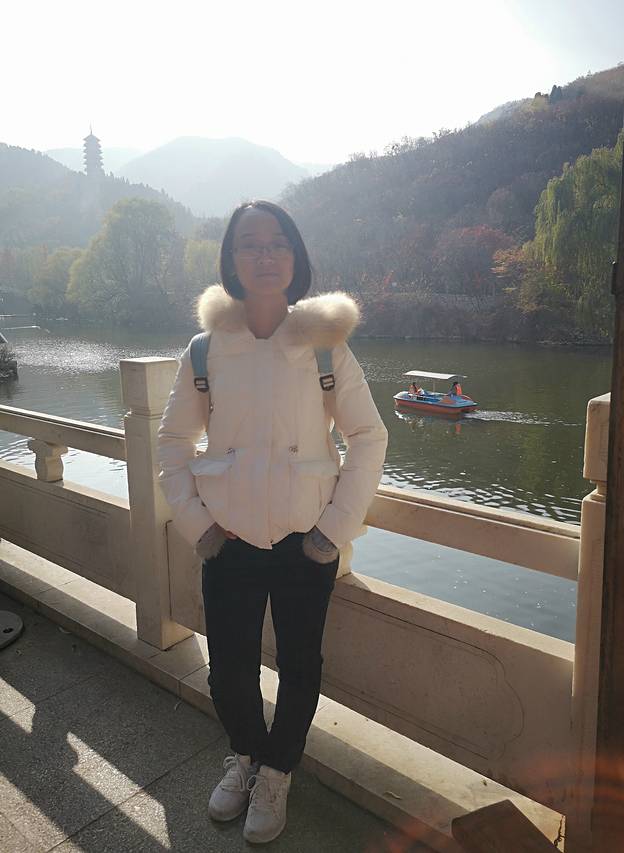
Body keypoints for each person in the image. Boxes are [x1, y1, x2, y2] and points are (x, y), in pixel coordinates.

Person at [157, 200, 387, 845]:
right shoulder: (205, 351)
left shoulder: (325, 346)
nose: (265, 255)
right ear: (231, 260)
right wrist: (199, 526)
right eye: (250, 244)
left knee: (299, 664)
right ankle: (246, 756)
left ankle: (279, 770)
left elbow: (368, 436)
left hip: (303, 541)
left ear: (295, 257)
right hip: (227, 539)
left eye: (278, 243)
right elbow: (172, 442)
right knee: (228, 668)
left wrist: (333, 530)